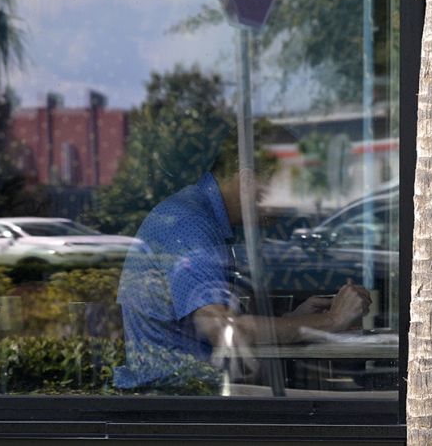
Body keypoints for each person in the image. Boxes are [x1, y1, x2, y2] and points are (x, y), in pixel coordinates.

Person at [114, 142, 371, 390]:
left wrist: (296, 321)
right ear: (247, 180)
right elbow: (226, 332)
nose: (289, 201)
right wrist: (332, 320)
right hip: (180, 403)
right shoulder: (191, 226)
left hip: (180, 397)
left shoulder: (193, 213)